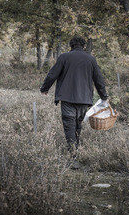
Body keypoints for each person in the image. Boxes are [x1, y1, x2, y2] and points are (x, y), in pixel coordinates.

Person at [40, 36, 108, 169]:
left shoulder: (64, 57)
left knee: (69, 126)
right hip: (84, 100)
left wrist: (44, 88)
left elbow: (52, 74)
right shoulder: (91, 59)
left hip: (67, 98)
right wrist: (104, 96)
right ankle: (75, 154)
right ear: (83, 46)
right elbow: (99, 79)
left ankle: (73, 157)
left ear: (71, 45)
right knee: (77, 126)